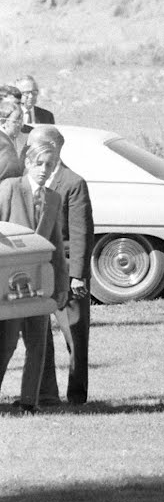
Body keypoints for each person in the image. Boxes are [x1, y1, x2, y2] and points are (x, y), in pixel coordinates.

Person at [0, 141, 69, 413]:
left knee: (38, 344)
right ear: (27, 162)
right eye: (39, 163)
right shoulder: (9, 188)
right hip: (8, 281)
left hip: (39, 284)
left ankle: (29, 401)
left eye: (50, 165)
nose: (44, 170)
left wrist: (61, 286)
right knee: (5, 344)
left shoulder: (53, 198)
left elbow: (56, 244)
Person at [28, 126, 94, 406]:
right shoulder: (29, 180)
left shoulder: (73, 182)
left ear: (52, 147)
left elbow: (81, 232)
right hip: (40, 271)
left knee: (75, 336)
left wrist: (78, 276)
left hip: (67, 271)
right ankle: (47, 394)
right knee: (41, 335)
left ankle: (77, 396)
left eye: (32, 145)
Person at [0, 95, 25, 179]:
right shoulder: (4, 145)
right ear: (3, 122)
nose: (21, 125)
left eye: (21, 120)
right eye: (17, 120)